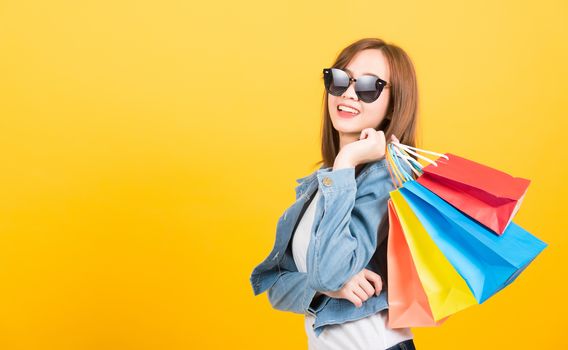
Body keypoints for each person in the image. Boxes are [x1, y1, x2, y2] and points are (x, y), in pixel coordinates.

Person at [250, 37, 420, 349]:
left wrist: (347, 159)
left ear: (393, 103)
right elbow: (273, 284)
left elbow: (328, 273)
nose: (349, 93)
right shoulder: (323, 185)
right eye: (340, 79)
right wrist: (327, 287)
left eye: (369, 86)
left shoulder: (385, 182)